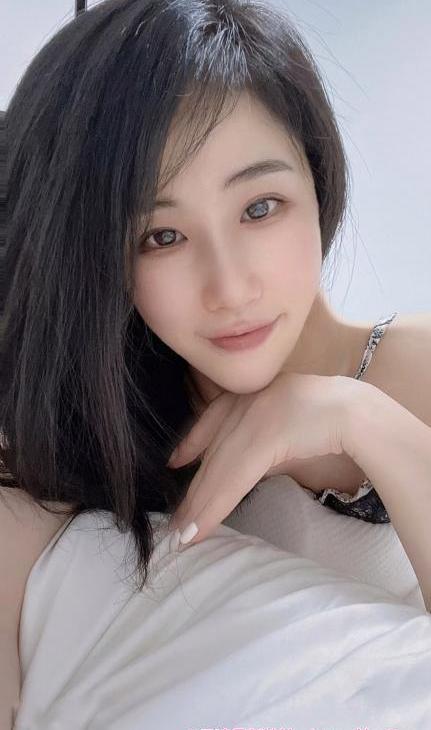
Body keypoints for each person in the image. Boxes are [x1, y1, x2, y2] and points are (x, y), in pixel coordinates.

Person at [2, 0, 431, 727]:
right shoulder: (98, 435)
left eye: (259, 208)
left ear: (317, 180)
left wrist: (357, 419)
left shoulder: (416, 366)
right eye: (161, 237)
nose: (229, 289)